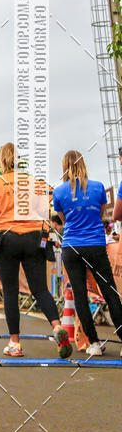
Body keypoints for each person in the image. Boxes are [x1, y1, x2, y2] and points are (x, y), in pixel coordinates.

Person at [0, 142, 72, 359]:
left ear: (2, 161)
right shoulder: (33, 183)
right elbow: (53, 206)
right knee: (40, 289)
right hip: (32, 239)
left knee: (10, 291)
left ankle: (15, 343)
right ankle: (57, 327)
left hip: (6, 239)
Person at [57, 150, 122, 356]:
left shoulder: (59, 192)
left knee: (80, 295)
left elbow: (64, 219)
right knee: (109, 292)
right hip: (95, 244)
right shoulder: (98, 187)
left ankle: (93, 343)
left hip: (71, 246)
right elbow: (101, 213)